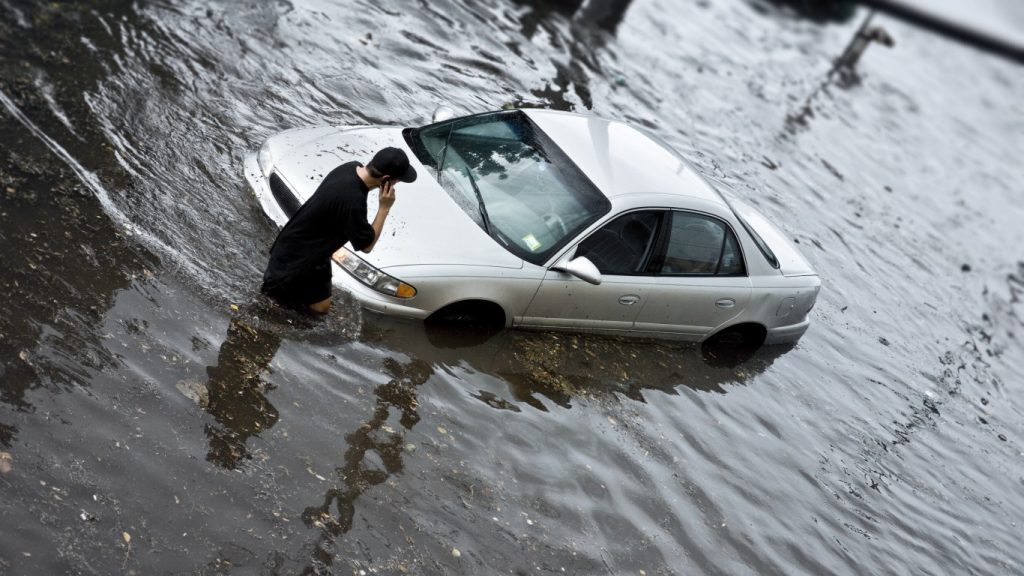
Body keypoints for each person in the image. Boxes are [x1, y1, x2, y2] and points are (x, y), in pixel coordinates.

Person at [261, 147, 417, 314]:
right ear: (386, 179)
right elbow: (367, 246)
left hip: (310, 251)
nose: (396, 185)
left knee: (321, 308)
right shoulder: (353, 201)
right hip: (295, 262)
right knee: (271, 308)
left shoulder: (350, 167)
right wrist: (384, 208)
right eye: (397, 181)